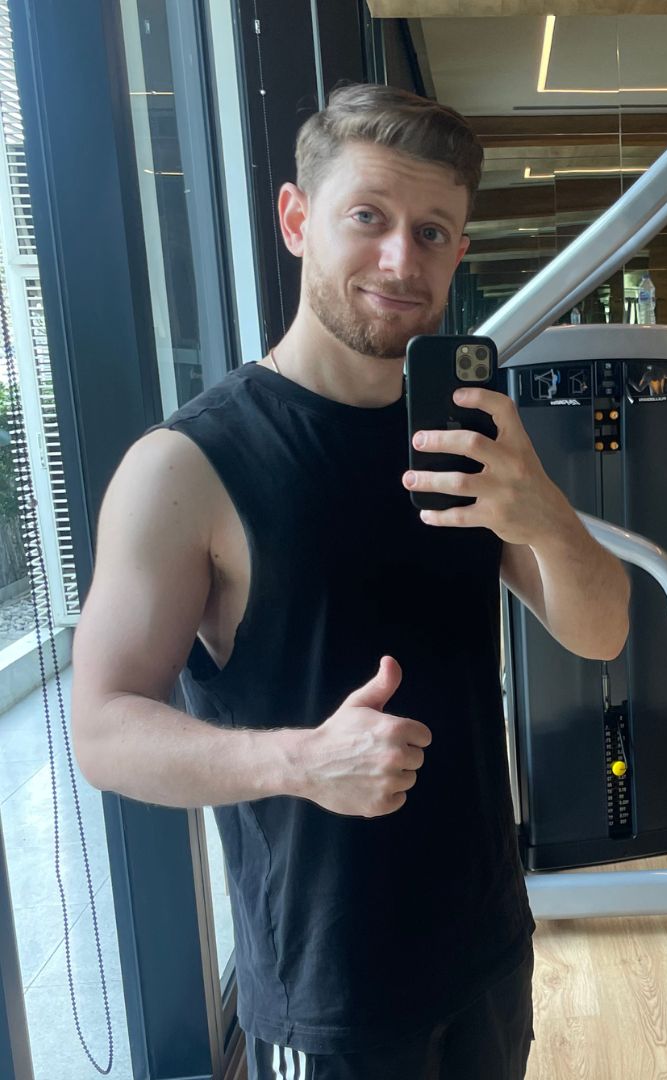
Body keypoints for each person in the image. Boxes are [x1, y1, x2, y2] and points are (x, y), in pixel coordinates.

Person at [71, 83, 630, 1079]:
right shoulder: (186, 467)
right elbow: (102, 731)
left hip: (488, 946)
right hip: (329, 995)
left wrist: (544, 510)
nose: (400, 260)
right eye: (368, 217)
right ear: (297, 220)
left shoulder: (470, 437)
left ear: (458, 251)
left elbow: (602, 632)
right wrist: (301, 761)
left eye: (432, 232)